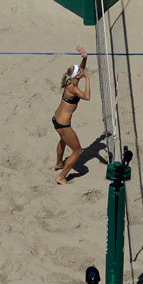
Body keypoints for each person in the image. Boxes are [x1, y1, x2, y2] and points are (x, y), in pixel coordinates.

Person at [51, 49, 90, 183]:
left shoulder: (70, 81)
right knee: (78, 151)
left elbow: (80, 70)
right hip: (63, 124)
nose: (81, 71)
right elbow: (87, 96)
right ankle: (61, 177)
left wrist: (84, 58)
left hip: (56, 119)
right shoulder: (73, 88)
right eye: (79, 72)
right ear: (77, 76)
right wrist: (88, 79)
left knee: (63, 140)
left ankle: (58, 163)